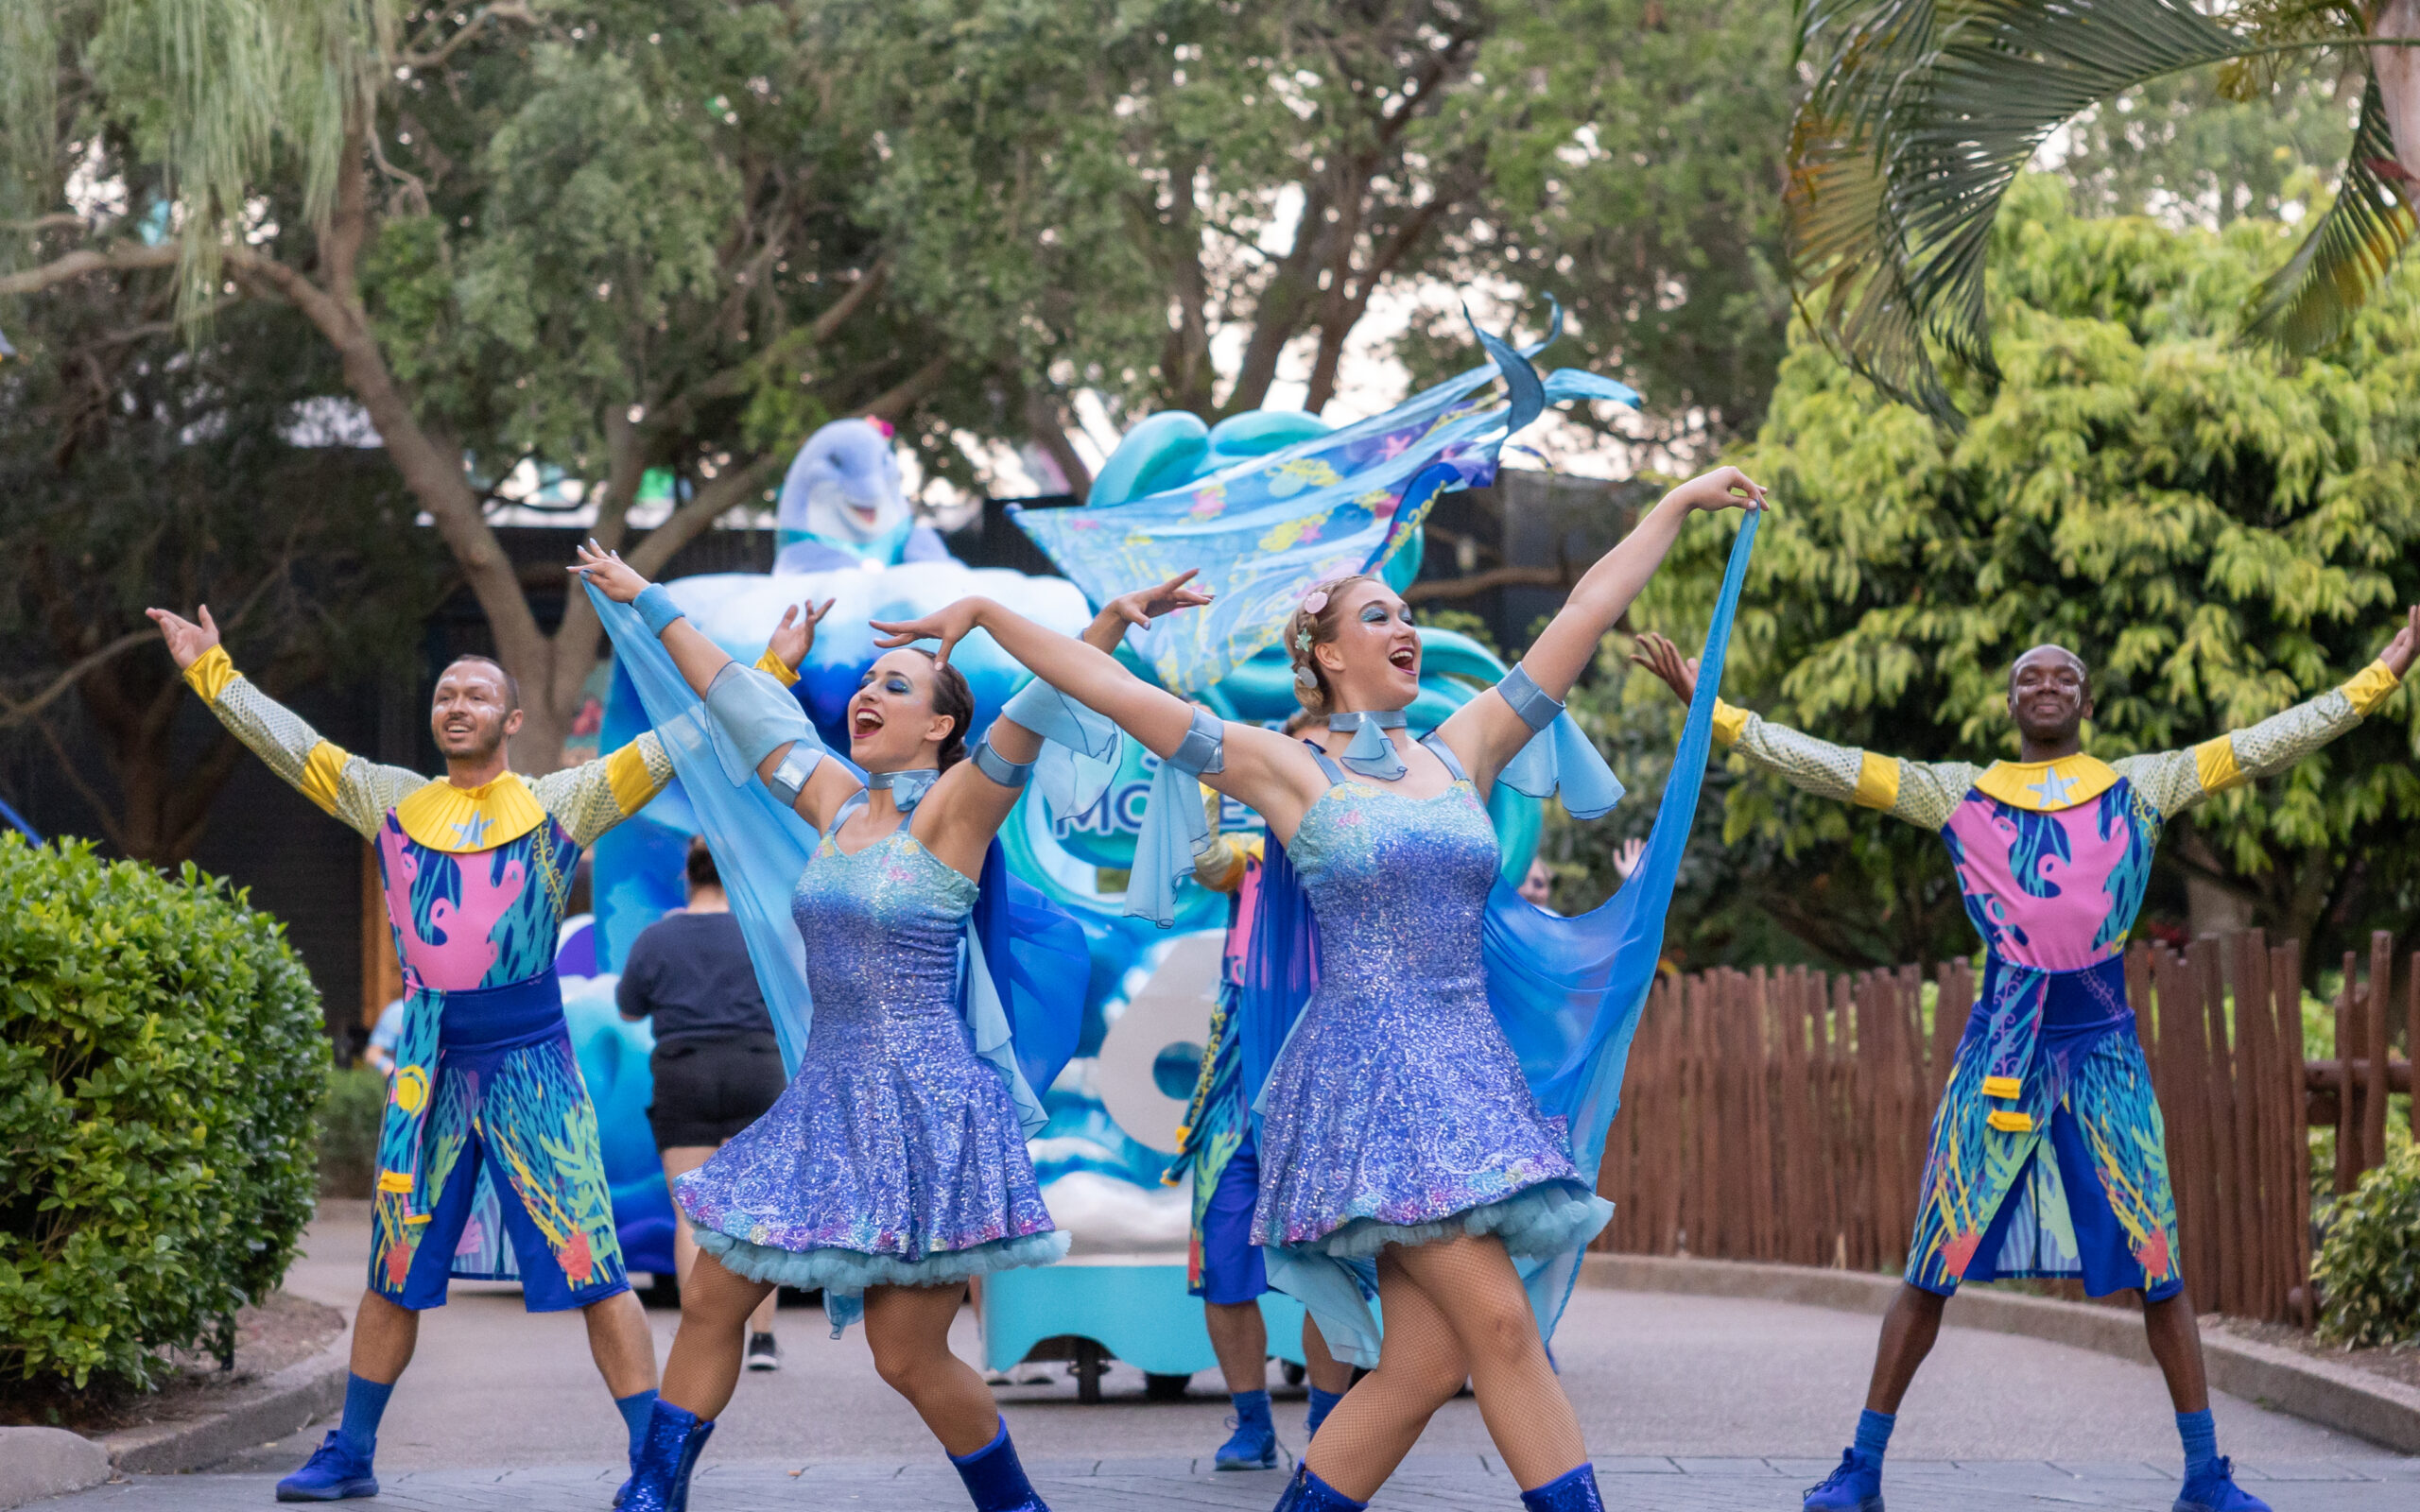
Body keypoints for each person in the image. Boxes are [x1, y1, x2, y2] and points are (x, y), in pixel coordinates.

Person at [870, 465, 1766, 1512]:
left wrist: (1672, 504)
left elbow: (1583, 611)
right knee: (1501, 1326)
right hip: (1370, 1082)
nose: (1406, 627)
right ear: (1328, 654)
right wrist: (987, 613)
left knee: (1424, 1366)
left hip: (1467, 1076)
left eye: (1409, 615)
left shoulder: (1465, 747)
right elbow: (1121, 698)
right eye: (1378, 615)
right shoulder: (1289, 769)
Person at [1630, 605, 2419, 1512]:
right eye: (2029, 679)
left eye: (2063, 677)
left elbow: (2269, 742)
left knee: (2159, 1264)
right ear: (2009, 704)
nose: (2046, 687)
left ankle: (2206, 1476)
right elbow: (1830, 764)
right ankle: (1861, 1470)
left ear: (2088, 703)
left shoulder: (2144, 783)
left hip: (2105, 1052)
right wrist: (1715, 710)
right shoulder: (1957, 792)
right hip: (2000, 1055)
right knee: (1932, 1260)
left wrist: (2385, 672)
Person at [573, 542, 1208, 1512]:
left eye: (895, 684)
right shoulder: (834, 805)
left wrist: (1109, 621)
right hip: (823, 1099)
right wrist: (648, 599)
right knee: (711, 1294)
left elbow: (1044, 700)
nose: (868, 692)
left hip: (923, 1108)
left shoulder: (957, 810)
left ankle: (1016, 1505)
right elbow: (744, 705)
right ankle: (651, 1492)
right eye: (866, 681)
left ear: (940, 725)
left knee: (906, 1354)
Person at [147, 607, 676, 1504]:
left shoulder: (563, 801)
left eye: (477, 695)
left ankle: (653, 1461)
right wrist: (212, 673)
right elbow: (295, 748)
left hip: (532, 1063)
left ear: (513, 720)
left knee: (596, 1264)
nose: (456, 704)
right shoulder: (391, 799)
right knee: (393, 1267)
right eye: (445, 694)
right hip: (430, 1066)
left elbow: (670, 749)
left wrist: (767, 672)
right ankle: (351, 1451)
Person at [1172, 729, 1355, 1470]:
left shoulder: (1354, 854)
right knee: (1221, 1258)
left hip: (1327, 1070)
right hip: (1238, 1079)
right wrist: (1196, 761)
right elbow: (1207, 859)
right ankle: (1251, 1424)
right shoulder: (1251, 859)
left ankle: (1331, 1429)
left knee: (1333, 1263)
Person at [619, 839, 787, 1371]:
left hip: (683, 1072)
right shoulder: (758, 931)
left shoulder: (656, 937)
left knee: (690, 1216)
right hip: (755, 1068)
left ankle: (699, 1338)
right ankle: (762, 1341)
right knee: (755, 1210)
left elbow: (628, 1010)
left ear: (686, 877)